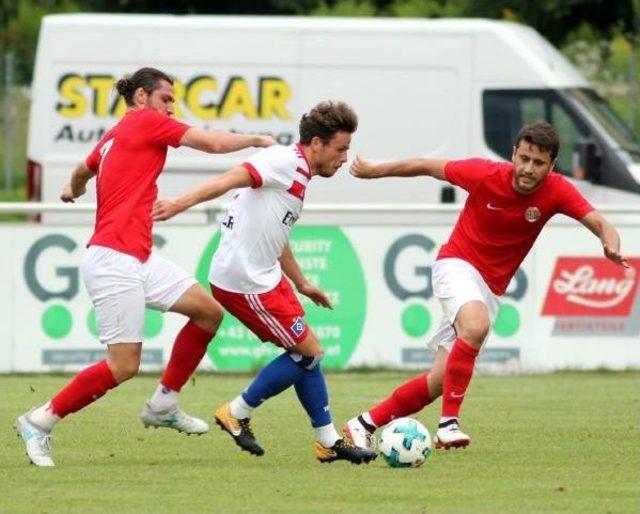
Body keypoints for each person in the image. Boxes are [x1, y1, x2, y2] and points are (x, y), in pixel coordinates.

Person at [15, 67, 276, 467]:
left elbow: (83, 169)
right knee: (124, 366)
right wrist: (258, 140)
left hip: (139, 257)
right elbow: (210, 143)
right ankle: (40, 420)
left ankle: (164, 402)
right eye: (165, 99)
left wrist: (74, 190)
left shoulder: (113, 136)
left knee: (208, 314)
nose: (171, 108)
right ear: (141, 97)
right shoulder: (146, 121)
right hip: (113, 259)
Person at [343, 121, 628, 451]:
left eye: (538, 163)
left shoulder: (557, 190)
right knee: (475, 327)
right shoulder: (485, 174)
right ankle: (449, 424)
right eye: (523, 158)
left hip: (489, 289)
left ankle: (363, 424)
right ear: (513, 154)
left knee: (439, 381)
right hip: (456, 264)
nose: (528, 168)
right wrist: (375, 171)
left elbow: (600, 223)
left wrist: (611, 245)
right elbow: (426, 166)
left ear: (551, 166)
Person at [151, 100, 377, 464]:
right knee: (309, 352)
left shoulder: (298, 171)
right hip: (244, 279)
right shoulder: (283, 162)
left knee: (307, 354)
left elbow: (275, 231)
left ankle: (328, 440)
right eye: (341, 149)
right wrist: (179, 203)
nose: (344, 158)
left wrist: (301, 282)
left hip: (264, 275)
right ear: (316, 144)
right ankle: (237, 412)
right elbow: (230, 178)